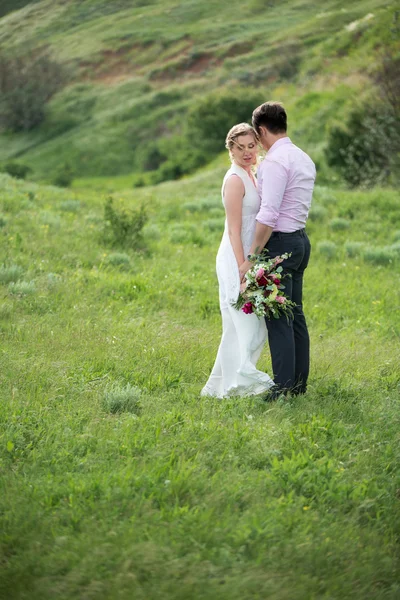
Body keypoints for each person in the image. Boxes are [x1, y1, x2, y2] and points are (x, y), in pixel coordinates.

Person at [239, 102, 316, 399]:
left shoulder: (274, 162)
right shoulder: (303, 157)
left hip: (280, 244)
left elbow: (268, 215)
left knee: (278, 318)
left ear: (260, 131)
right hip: (300, 240)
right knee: (295, 315)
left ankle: (283, 388)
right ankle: (298, 385)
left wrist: (252, 257)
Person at [201, 123, 274, 398]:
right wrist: (244, 265)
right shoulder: (234, 179)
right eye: (240, 147)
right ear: (230, 150)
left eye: (251, 146)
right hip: (236, 257)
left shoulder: (251, 174)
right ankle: (243, 385)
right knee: (246, 325)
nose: (247, 152)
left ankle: (221, 388)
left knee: (239, 327)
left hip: (249, 257)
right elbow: (233, 229)